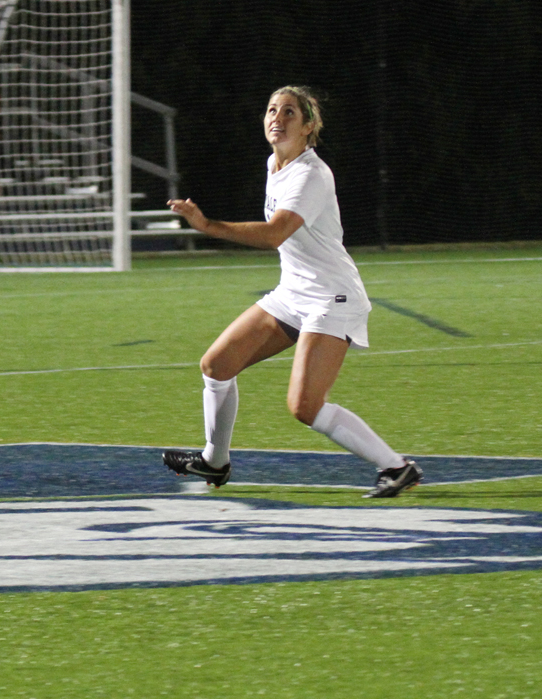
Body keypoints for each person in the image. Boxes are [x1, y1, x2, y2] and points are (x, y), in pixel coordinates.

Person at [161, 85, 421, 499]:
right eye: (271, 110)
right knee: (216, 365)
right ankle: (215, 460)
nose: (276, 119)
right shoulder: (275, 164)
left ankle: (397, 466)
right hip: (293, 294)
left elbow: (275, 233)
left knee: (305, 406)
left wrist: (207, 226)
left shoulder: (311, 174)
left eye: (288, 113)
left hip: (332, 297)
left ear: (309, 126)